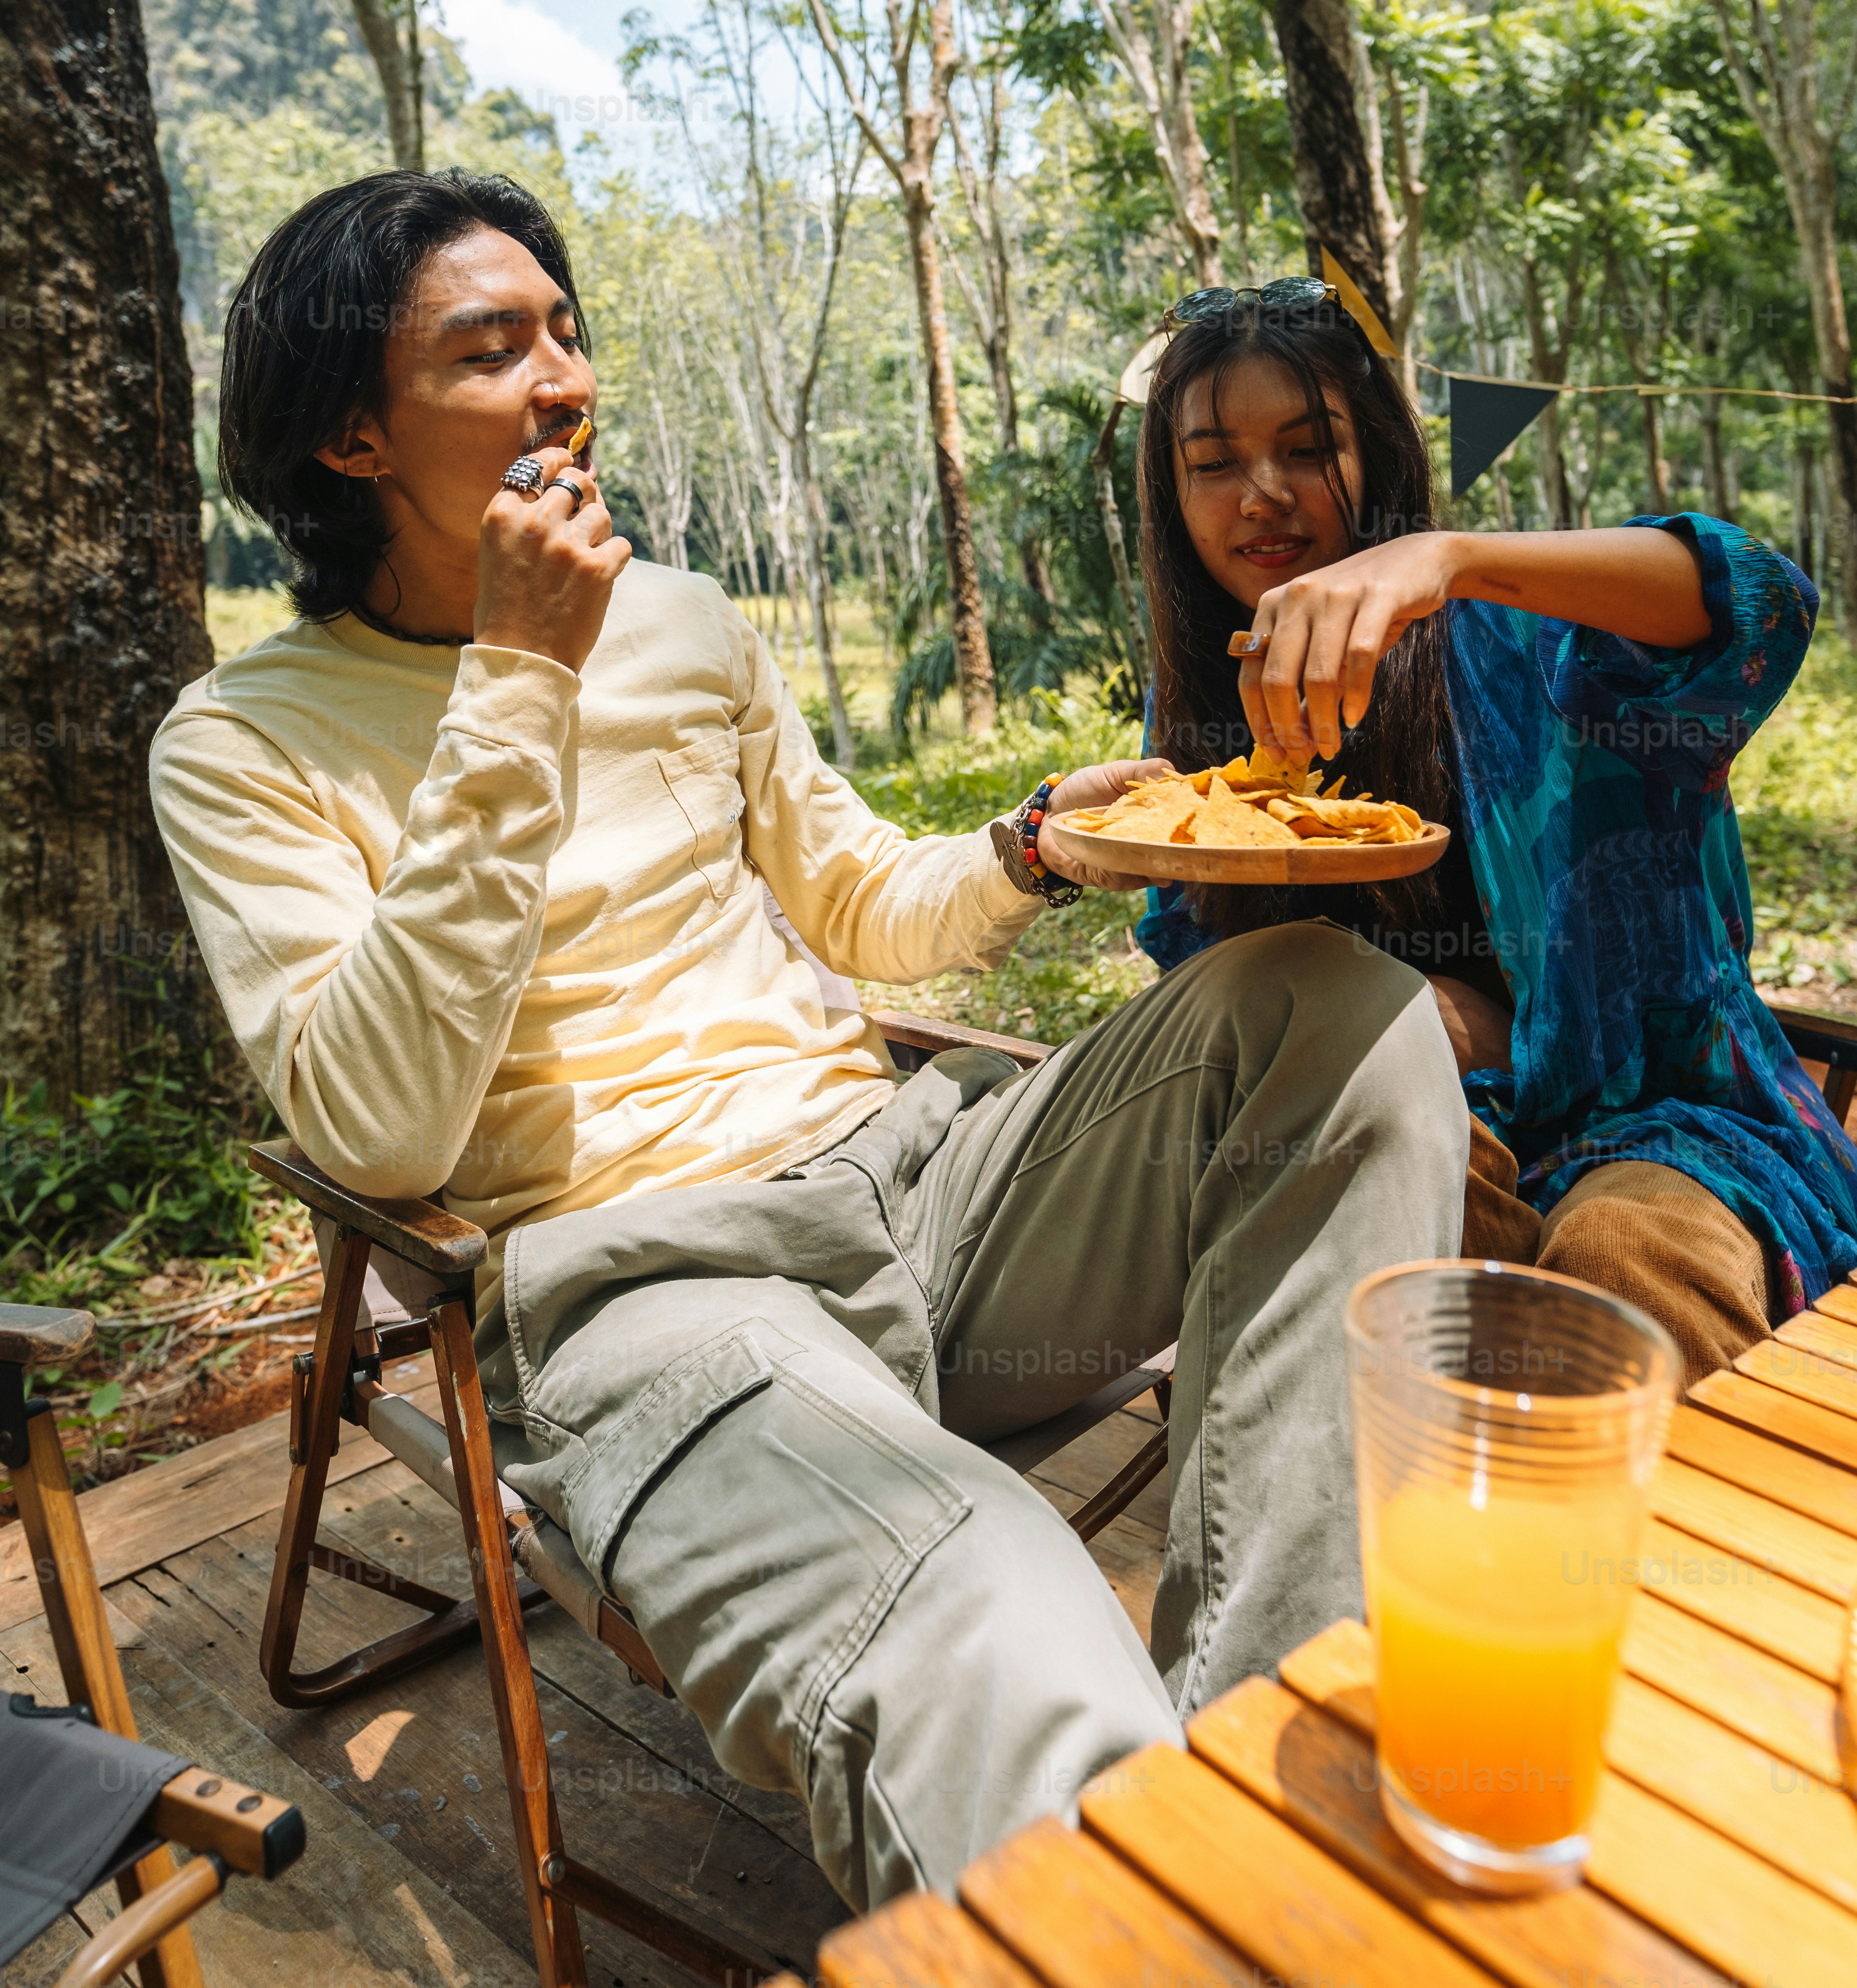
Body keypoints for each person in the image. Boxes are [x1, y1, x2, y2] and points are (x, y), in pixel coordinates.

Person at [149, 170, 1467, 1912]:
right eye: (490, 349)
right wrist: (521, 677)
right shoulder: (246, 737)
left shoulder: (687, 623)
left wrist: (1026, 842)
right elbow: (379, 1130)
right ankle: (1153, 1913)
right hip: (653, 1292)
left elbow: (854, 901)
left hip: (920, 1192)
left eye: (565, 329)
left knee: (1327, 996)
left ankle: (1260, 1775)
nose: (564, 380)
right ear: (349, 438)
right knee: (988, 1602)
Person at [1134, 277, 1857, 1383]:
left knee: (1625, 1276)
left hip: (1662, 1114)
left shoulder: (1531, 630)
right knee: (1378, 1269)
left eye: (1305, 445)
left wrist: (1450, 559)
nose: (1261, 493)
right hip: (1406, 1116)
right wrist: (1412, 1013)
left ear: (1373, 450)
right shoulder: (1206, 707)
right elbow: (1203, 962)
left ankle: (1636, 1547)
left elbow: (1765, 603)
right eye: (1214, 462)